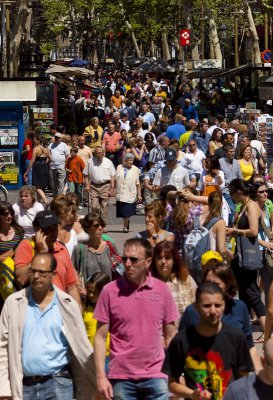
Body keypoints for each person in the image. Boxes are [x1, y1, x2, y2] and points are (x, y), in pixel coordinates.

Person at [0, 252, 96, 400]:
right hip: (24, 385)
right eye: (33, 271)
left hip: (59, 383)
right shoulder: (13, 303)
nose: (36, 276)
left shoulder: (68, 305)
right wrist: (4, 389)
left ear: (54, 274)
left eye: (42, 272)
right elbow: (3, 347)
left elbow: (81, 346)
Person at [93, 238, 179, 400]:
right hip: (121, 377)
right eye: (124, 259)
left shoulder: (162, 290)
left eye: (133, 259)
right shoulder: (109, 291)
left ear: (147, 262)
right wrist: (101, 376)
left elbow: (171, 336)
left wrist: (176, 373)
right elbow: (100, 337)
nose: (127, 264)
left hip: (157, 375)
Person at [162, 282, 254, 399]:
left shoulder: (237, 337)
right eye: (207, 306)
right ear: (196, 306)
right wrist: (192, 394)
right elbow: (172, 383)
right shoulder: (181, 340)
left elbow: (245, 381)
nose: (213, 311)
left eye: (217, 305)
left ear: (224, 305)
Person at [180, 263, 261, 371]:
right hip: (200, 378)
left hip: (234, 378)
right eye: (208, 283)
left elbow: (250, 346)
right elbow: (180, 348)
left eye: (217, 284)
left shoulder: (239, 308)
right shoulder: (191, 311)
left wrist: (259, 377)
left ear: (227, 285)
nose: (211, 287)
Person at [14, 210, 81, 307]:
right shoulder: (27, 246)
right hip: (35, 308)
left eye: (55, 228)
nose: (53, 233)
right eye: (48, 229)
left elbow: (71, 286)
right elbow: (21, 279)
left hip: (60, 309)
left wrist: (78, 311)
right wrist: (41, 253)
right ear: (37, 231)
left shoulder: (61, 247)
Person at [227, 179, 266, 342]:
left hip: (247, 256)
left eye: (231, 193)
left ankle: (267, 329)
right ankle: (242, 329)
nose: (231, 196)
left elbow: (253, 231)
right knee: (243, 293)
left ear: (237, 192)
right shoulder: (243, 206)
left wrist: (235, 230)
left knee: (252, 292)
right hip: (240, 256)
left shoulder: (250, 205)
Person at [151, 240, 197, 319]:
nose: (163, 261)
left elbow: (196, 308)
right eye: (159, 258)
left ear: (174, 260)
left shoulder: (187, 280)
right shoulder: (148, 283)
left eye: (167, 258)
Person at [72, 213, 116, 282]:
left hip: (108, 291)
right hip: (89, 291)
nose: (100, 228)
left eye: (102, 225)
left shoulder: (110, 246)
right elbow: (72, 273)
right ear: (87, 228)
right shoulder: (79, 249)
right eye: (96, 225)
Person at [83, 272, 111, 369]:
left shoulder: (110, 309)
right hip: (89, 356)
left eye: (94, 292)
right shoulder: (85, 308)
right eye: (89, 291)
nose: (90, 295)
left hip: (107, 357)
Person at [84, 146, 115, 224]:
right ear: (94, 153)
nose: (100, 155)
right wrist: (87, 185)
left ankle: (103, 224)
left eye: (102, 153)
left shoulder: (108, 161)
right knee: (94, 206)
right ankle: (95, 222)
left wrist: (112, 188)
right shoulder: (90, 161)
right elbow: (86, 175)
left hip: (105, 185)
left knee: (104, 206)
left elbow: (112, 176)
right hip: (94, 186)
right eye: (98, 153)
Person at [115, 153, 141, 232]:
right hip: (120, 193)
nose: (131, 162)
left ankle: (125, 226)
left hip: (130, 193)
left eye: (132, 160)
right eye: (129, 160)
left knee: (126, 212)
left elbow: (138, 183)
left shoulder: (135, 169)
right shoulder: (119, 167)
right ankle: (127, 221)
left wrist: (139, 195)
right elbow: (115, 178)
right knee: (122, 213)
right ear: (125, 161)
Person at [219, 145, 243, 225]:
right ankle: (232, 226)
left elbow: (240, 175)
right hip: (226, 190)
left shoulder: (236, 162)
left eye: (233, 151)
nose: (233, 153)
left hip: (237, 190)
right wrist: (231, 182)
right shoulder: (220, 162)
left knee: (238, 209)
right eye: (230, 152)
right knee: (232, 209)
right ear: (225, 153)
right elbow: (219, 177)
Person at [24, 135, 51, 205]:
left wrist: (27, 171)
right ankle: (39, 203)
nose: (34, 140)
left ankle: (46, 201)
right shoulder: (46, 149)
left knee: (37, 187)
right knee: (42, 187)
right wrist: (45, 163)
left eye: (35, 139)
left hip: (38, 168)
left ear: (38, 141)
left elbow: (32, 162)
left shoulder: (35, 149)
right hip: (45, 168)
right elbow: (51, 159)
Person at [48, 132, 69, 198]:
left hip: (61, 167)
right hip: (52, 167)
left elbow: (67, 156)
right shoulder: (51, 145)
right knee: (53, 184)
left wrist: (65, 165)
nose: (56, 138)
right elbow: (48, 153)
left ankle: (59, 198)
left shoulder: (64, 145)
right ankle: (55, 197)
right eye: (56, 137)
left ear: (61, 138)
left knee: (61, 183)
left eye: (58, 137)